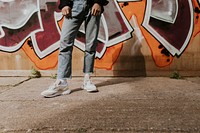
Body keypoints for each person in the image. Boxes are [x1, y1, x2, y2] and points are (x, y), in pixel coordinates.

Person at [41, 0, 109, 97]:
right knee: (65, 44)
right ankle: (62, 82)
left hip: (93, 5)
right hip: (74, 6)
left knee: (91, 44)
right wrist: (64, 4)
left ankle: (87, 79)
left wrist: (99, 2)